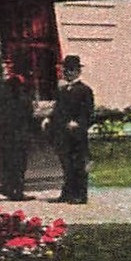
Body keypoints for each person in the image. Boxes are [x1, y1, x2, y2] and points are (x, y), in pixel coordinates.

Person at [49, 55, 95, 204]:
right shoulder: (62, 91)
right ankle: (67, 193)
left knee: (79, 163)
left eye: (71, 70)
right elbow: (58, 110)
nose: (67, 73)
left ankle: (81, 195)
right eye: (65, 70)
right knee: (67, 163)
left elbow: (88, 112)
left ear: (78, 72)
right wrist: (49, 120)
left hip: (77, 134)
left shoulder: (84, 90)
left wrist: (78, 123)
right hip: (63, 133)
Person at [0, 72, 37, 201]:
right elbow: (30, 117)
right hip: (21, 136)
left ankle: (7, 186)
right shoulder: (25, 100)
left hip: (7, 135)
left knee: (8, 162)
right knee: (20, 164)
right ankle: (18, 190)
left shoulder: (3, 101)